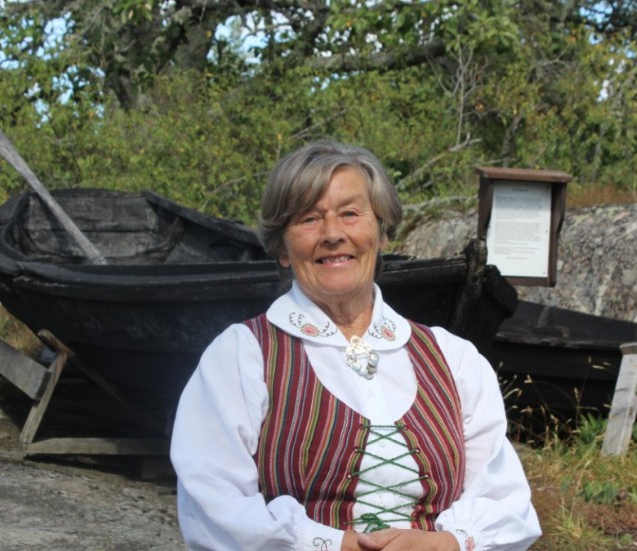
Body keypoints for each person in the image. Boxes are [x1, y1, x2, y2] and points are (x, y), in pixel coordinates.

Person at [169, 141, 541, 551]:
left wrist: (448, 543)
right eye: (309, 219)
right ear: (281, 249)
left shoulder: (454, 359)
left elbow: (505, 500)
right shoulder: (242, 356)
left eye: (350, 213)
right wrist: (331, 544)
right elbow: (213, 504)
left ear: (381, 232)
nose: (332, 235)